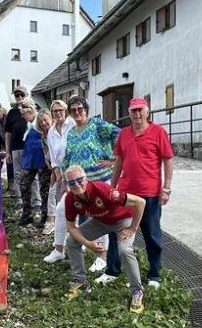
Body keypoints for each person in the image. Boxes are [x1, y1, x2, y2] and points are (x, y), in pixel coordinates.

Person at [106, 97, 173, 289]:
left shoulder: (158, 132)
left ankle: (155, 275)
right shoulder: (124, 134)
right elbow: (118, 161)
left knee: (151, 234)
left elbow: (168, 160)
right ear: (129, 113)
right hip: (126, 194)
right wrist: (113, 187)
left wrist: (166, 189)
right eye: (133, 111)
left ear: (147, 112)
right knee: (116, 230)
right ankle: (112, 270)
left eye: (140, 110)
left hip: (150, 193)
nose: (137, 114)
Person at [62, 165, 146, 314]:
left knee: (125, 250)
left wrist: (132, 228)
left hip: (122, 220)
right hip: (101, 221)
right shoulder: (70, 199)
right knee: (71, 241)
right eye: (71, 182)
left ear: (86, 179)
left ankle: (137, 291)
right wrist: (87, 244)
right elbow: (71, 228)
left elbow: (140, 202)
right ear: (67, 184)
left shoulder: (102, 190)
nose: (76, 184)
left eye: (79, 180)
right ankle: (80, 281)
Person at [60, 95, 120, 275]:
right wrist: (64, 177)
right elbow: (68, 157)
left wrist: (114, 159)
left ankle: (102, 256)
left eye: (80, 109)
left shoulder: (96, 125)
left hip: (100, 179)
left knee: (102, 217)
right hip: (79, 183)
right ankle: (85, 245)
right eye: (73, 110)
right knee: (70, 212)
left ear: (86, 109)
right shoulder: (71, 132)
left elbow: (119, 134)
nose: (77, 112)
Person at [42, 100, 75, 263]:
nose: (58, 113)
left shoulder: (73, 124)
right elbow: (54, 158)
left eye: (60, 110)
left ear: (66, 110)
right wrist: (59, 175)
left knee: (78, 209)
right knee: (62, 209)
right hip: (62, 175)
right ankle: (59, 249)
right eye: (55, 111)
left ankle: (79, 243)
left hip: (77, 175)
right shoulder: (51, 132)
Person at [4, 87, 40, 210]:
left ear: (27, 95)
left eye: (21, 94)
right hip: (15, 148)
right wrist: (7, 151)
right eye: (16, 95)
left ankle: (36, 202)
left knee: (33, 175)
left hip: (30, 148)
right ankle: (21, 200)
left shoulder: (34, 109)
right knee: (18, 175)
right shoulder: (12, 113)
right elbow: (7, 133)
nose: (19, 97)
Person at [17, 103, 51, 227]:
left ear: (30, 111)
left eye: (23, 113)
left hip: (43, 159)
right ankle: (27, 214)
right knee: (23, 184)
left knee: (44, 189)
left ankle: (45, 216)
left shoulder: (41, 120)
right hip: (30, 159)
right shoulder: (29, 124)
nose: (22, 116)